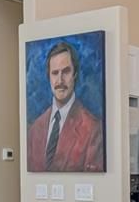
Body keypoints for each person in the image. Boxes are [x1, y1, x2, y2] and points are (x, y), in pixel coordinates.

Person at [27, 41, 105, 172]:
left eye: (66, 71)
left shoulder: (92, 129)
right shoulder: (34, 130)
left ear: (75, 74)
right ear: (49, 77)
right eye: (55, 73)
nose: (60, 80)